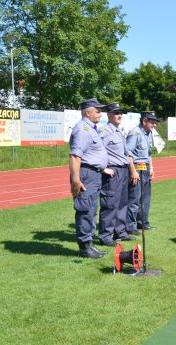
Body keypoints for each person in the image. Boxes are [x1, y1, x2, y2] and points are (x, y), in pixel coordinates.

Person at [68, 98, 112, 259]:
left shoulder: (91, 128)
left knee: (92, 210)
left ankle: (90, 245)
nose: (101, 113)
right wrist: (75, 180)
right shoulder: (83, 129)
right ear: (88, 112)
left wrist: (101, 168)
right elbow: (75, 156)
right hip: (86, 175)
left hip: (94, 174)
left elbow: (91, 154)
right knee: (85, 210)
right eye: (98, 110)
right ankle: (84, 248)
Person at [98, 103, 137, 246]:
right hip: (112, 171)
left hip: (123, 170)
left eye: (120, 112)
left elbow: (126, 153)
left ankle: (119, 232)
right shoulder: (105, 131)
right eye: (115, 113)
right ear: (108, 115)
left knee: (122, 203)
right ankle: (105, 236)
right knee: (110, 204)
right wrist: (103, 168)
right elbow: (97, 150)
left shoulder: (119, 131)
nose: (119, 115)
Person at [126, 111, 157, 235]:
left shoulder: (148, 133)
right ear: (144, 121)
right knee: (134, 199)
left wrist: (152, 168)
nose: (154, 125)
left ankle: (143, 223)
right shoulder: (135, 133)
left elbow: (148, 153)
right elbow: (128, 153)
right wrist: (133, 171)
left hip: (145, 168)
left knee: (145, 199)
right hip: (137, 168)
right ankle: (130, 226)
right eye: (152, 122)